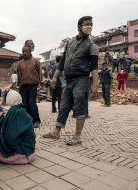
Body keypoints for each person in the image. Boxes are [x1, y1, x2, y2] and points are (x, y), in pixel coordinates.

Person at [43, 16, 99, 146]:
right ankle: (56, 132)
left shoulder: (92, 46)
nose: (89, 26)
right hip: (69, 80)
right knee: (64, 106)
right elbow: (62, 63)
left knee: (80, 107)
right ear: (79, 26)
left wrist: (94, 85)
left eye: (91, 24)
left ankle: (77, 136)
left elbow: (94, 68)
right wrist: (55, 77)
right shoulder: (70, 43)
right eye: (87, 24)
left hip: (82, 80)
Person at [0, 89, 35, 164]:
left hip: (23, 155)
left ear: (10, 100)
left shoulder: (16, 113)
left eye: (4, 99)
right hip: (28, 151)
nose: (1, 101)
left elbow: (10, 139)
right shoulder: (16, 110)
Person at [18, 45, 42, 128]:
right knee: (25, 103)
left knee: (32, 103)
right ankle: (28, 120)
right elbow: (19, 76)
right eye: (23, 51)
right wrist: (19, 85)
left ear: (30, 52)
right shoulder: (20, 63)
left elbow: (39, 73)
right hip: (23, 85)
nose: (24, 53)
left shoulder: (36, 61)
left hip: (33, 85)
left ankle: (36, 120)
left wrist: (40, 83)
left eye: (26, 51)